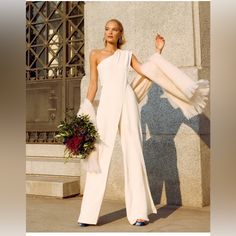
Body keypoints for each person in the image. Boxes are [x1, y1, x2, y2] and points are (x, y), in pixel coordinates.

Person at [77, 18, 209, 227]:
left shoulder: (127, 56)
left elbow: (147, 71)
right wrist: (86, 108)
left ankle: (139, 213)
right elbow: (93, 84)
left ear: (121, 34)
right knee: (99, 154)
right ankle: (87, 215)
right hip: (107, 104)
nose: (110, 33)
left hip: (128, 100)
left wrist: (158, 52)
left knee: (134, 152)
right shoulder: (95, 54)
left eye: (114, 30)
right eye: (107, 29)